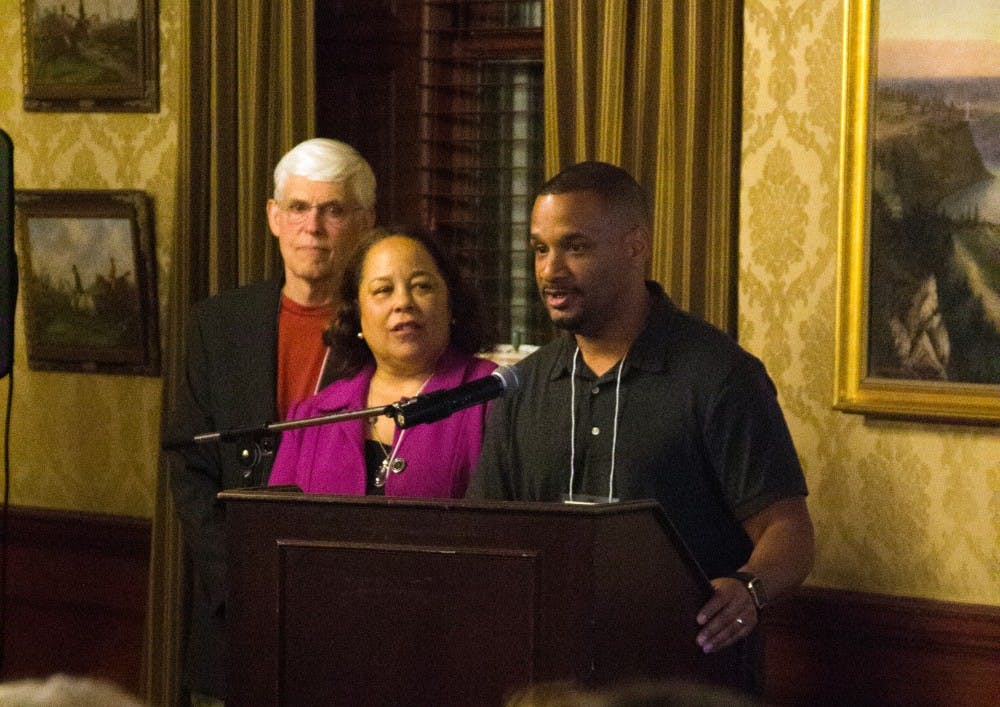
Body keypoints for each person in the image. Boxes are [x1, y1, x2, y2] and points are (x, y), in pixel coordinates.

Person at [467, 161, 814, 691]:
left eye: (574, 247)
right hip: (555, 684)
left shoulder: (718, 375)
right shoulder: (522, 387)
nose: (550, 270)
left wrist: (747, 589)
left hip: (687, 680)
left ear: (636, 246)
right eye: (540, 249)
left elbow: (787, 529)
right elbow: (485, 540)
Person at [164, 138, 376, 704]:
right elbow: (191, 468)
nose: (314, 227)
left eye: (333, 210)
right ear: (274, 218)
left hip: (348, 612)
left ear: (364, 222)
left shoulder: (388, 329)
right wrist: (241, 581)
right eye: (300, 208)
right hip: (235, 611)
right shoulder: (219, 322)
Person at [268, 227, 496, 497]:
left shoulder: (492, 397)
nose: (403, 302)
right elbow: (274, 527)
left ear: (451, 302)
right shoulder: (311, 418)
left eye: (422, 286)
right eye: (383, 290)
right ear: (357, 313)